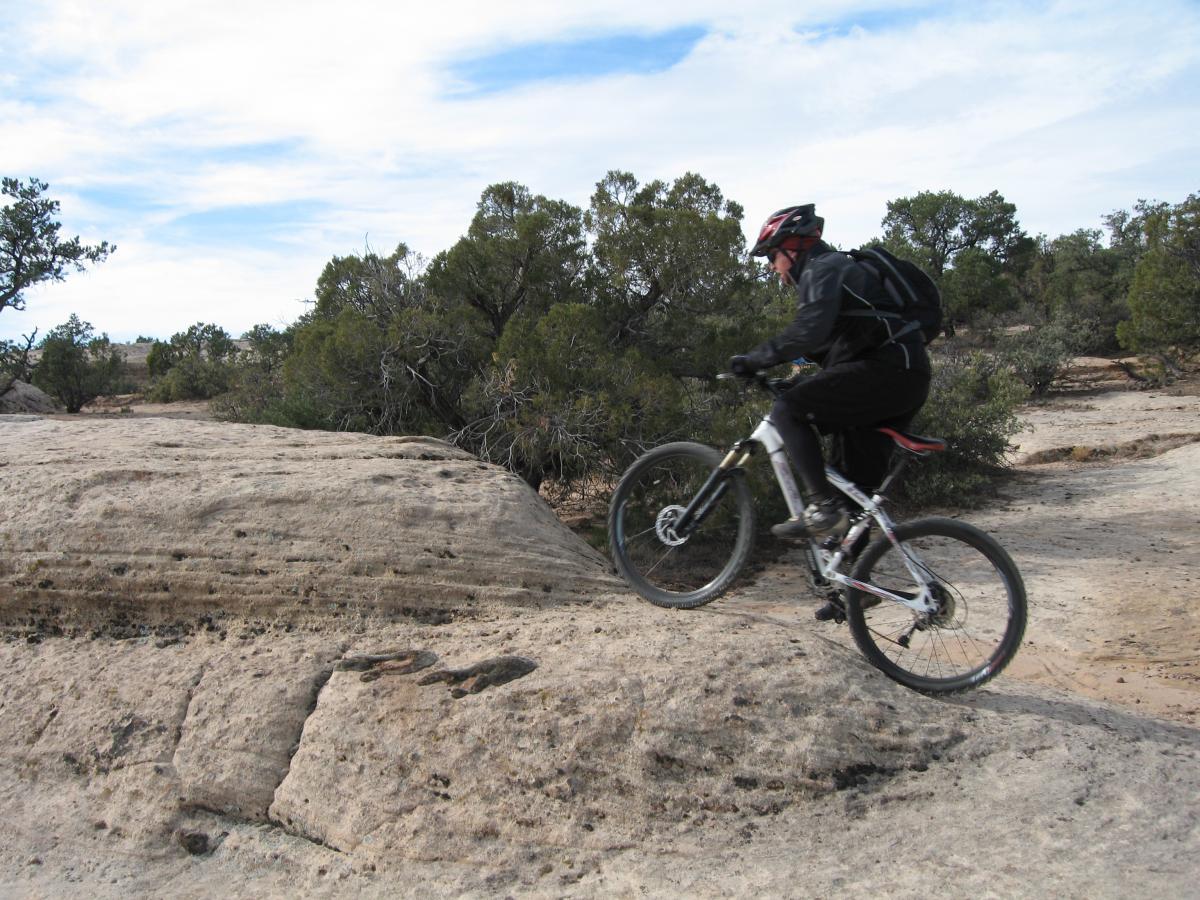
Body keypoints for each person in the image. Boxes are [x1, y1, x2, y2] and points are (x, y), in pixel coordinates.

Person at [730, 203, 932, 541]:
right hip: (902, 376)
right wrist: (799, 380)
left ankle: (820, 506)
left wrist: (755, 359)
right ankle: (853, 587)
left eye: (772, 256)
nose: (772, 268)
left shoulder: (823, 268)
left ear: (793, 247)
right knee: (851, 495)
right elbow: (833, 350)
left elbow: (809, 331)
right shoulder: (838, 273)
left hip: (888, 371)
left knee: (787, 410)